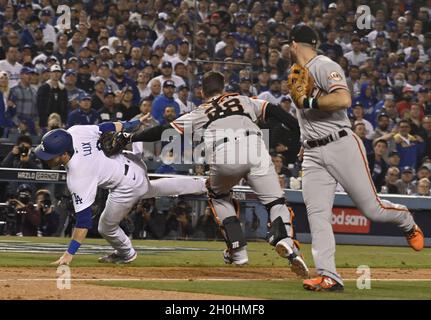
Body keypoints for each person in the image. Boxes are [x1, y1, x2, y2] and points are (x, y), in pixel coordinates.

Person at [124, 71, 309, 278]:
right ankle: (285, 240)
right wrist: (301, 135)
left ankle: (238, 252)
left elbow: (163, 130)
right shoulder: (243, 99)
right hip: (256, 149)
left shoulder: (201, 110)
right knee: (276, 202)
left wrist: (130, 137)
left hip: (225, 153)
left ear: (202, 91)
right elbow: (278, 113)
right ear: (224, 87)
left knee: (218, 194)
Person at [285, 25, 423, 292]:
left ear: (294, 44)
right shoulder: (298, 72)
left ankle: (405, 219)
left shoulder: (324, 65)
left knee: (372, 209)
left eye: (289, 45)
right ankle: (329, 276)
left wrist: (310, 103)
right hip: (313, 152)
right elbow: (307, 117)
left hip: (341, 144)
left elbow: (343, 99)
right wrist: (305, 141)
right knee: (317, 215)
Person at [34, 120, 206, 265]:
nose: (45, 158)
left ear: (64, 154)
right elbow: (108, 127)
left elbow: (84, 221)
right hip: (132, 159)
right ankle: (204, 185)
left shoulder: (78, 176)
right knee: (153, 188)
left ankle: (127, 253)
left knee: (106, 226)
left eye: (50, 154)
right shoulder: (75, 132)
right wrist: (132, 123)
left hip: (127, 186)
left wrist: (69, 254)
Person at [36, 64, 68, 129]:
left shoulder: (63, 89)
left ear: (61, 74)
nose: (56, 74)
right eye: (54, 72)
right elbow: (40, 106)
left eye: (58, 72)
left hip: (59, 122)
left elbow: (65, 107)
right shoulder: (43, 88)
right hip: (45, 122)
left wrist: (63, 121)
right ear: (50, 73)